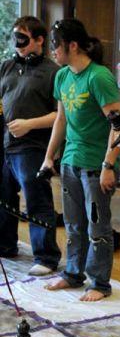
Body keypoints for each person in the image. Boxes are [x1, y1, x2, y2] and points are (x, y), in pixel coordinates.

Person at [40, 19, 120, 302]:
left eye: (55, 45)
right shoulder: (62, 76)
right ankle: (73, 274)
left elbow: (118, 125)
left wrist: (108, 166)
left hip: (95, 164)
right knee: (74, 224)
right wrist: (49, 157)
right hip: (70, 161)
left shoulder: (99, 77)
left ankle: (100, 282)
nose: (52, 51)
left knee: (97, 226)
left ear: (72, 45)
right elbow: (61, 120)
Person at [0, 16, 61, 274]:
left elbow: (61, 115)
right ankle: (5, 245)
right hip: (5, 145)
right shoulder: (7, 66)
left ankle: (46, 256)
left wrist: (29, 124)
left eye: (24, 39)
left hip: (33, 146)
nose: (18, 44)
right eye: (16, 38)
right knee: (3, 197)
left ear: (39, 40)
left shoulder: (53, 72)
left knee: (37, 199)